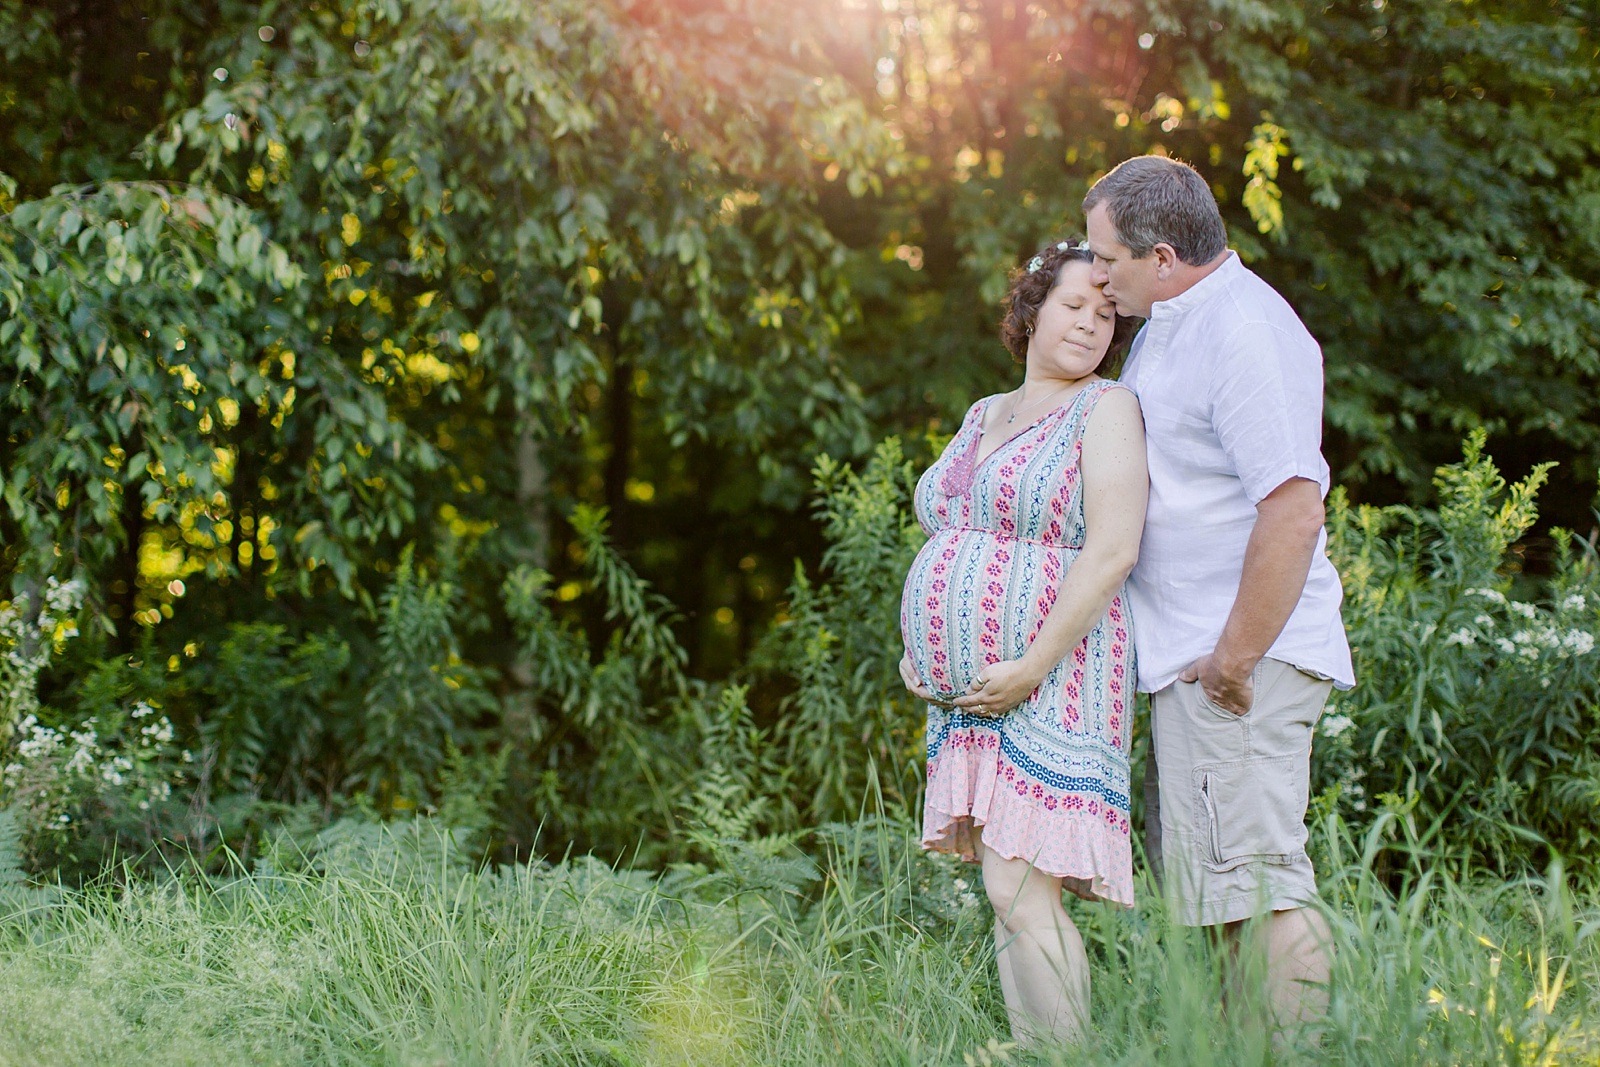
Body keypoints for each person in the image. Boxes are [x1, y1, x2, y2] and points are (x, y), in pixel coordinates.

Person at [1082, 155, 1356, 1033]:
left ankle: (1304, 1055)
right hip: (1196, 660)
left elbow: (1293, 507)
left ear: (1162, 256)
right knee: (1225, 894)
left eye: (1108, 257)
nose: (1097, 274)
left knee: (1264, 883)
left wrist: (1234, 658)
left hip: (1237, 659)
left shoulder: (1243, 330)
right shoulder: (1172, 320)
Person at [898, 238, 1148, 1043]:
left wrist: (1028, 666)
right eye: (1073, 305)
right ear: (1032, 309)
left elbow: (1113, 547)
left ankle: (1066, 1055)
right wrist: (923, 646)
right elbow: (949, 527)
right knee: (1008, 892)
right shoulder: (983, 414)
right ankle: (1042, 1051)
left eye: (1106, 315)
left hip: (1056, 670)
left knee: (1018, 882)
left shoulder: (1106, 408)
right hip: (976, 693)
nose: (1088, 325)